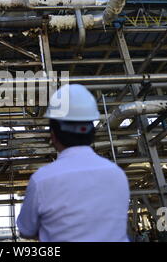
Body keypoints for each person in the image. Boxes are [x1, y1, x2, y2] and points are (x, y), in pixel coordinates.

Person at [16, 84, 130, 242]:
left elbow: (26, 230)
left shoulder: (42, 180)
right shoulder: (118, 174)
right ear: (92, 133)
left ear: (53, 136)